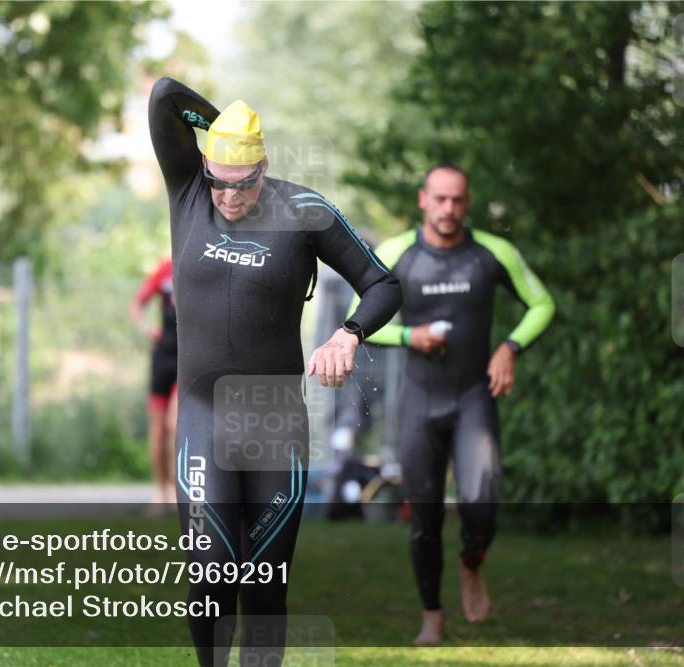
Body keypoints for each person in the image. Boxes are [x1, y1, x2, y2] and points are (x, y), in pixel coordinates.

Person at [148, 76, 401, 667]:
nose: (229, 197)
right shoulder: (188, 190)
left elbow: (383, 284)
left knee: (263, 586)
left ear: (263, 167)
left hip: (275, 426)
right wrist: (221, 131)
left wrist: (349, 334)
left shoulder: (303, 211)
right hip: (204, 420)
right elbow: (164, 96)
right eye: (220, 181)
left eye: (243, 183)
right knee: (211, 577)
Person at [349, 164, 555, 645]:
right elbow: (354, 319)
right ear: (423, 199)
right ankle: (432, 616)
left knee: (482, 504)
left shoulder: (492, 253)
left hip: (472, 399)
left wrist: (510, 347)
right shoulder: (395, 253)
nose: (449, 209)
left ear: (468, 201)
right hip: (420, 400)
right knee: (424, 518)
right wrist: (407, 335)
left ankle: (472, 561)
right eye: (440, 199)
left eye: (458, 200)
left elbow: (542, 304)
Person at [130, 257, 178, 506]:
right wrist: (146, 328)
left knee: (176, 425)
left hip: (188, 357)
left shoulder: (201, 261)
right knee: (158, 429)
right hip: (163, 356)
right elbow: (137, 304)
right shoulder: (163, 269)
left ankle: (176, 485)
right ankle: (160, 492)